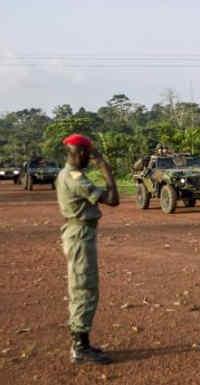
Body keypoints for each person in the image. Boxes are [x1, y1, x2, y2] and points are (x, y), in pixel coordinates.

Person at [56, 134, 119, 364]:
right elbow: (113, 199)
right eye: (89, 154)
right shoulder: (75, 178)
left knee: (82, 286)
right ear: (81, 153)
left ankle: (81, 342)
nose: (90, 158)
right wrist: (104, 167)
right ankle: (80, 348)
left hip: (78, 232)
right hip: (80, 235)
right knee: (84, 287)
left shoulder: (67, 173)